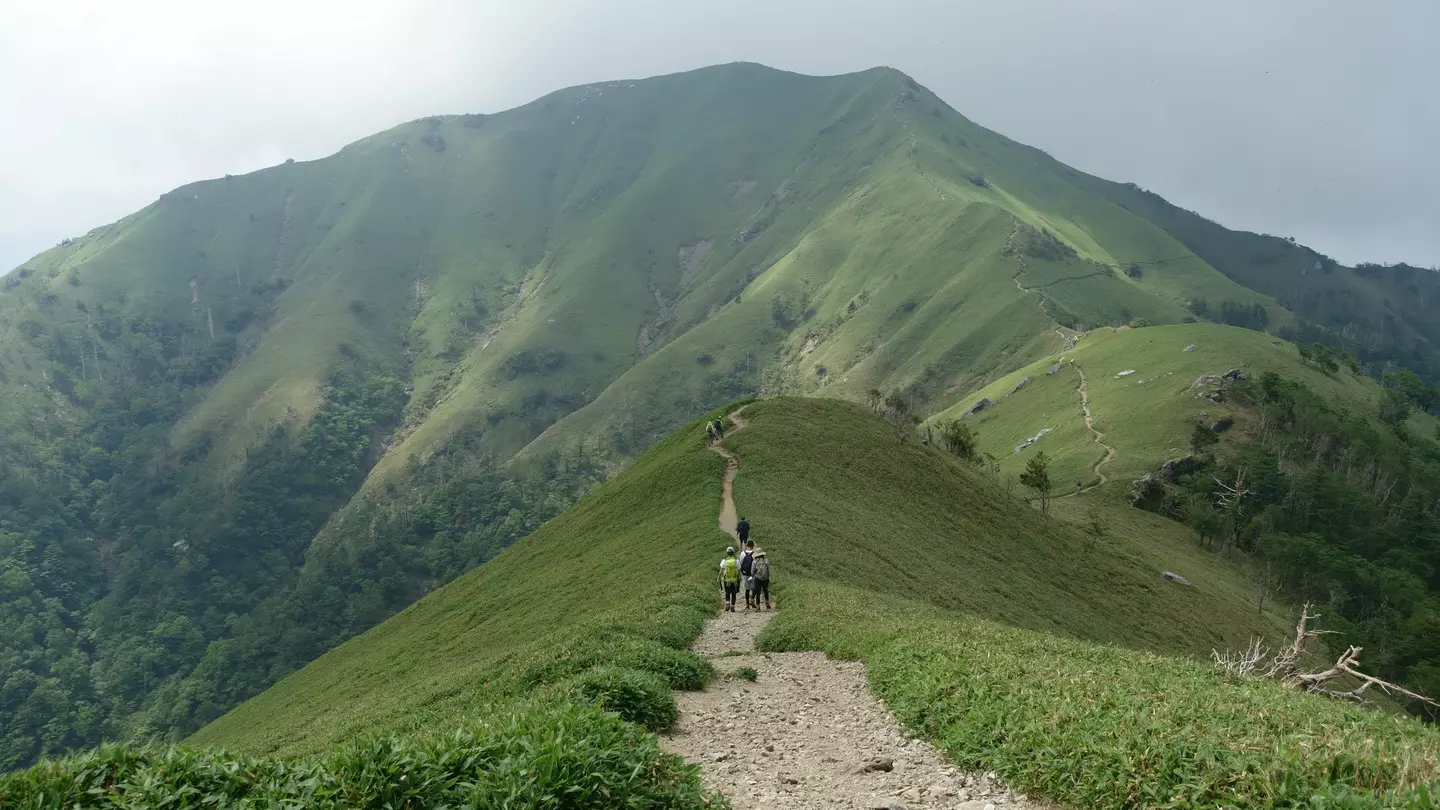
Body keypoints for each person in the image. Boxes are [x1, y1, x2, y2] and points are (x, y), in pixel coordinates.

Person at [718, 546, 740, 611]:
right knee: (734, 593)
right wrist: (740, 578)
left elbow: (721, 571)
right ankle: (732, 606)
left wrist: (718, 578)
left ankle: (727, 603)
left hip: (727, 580)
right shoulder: (736, 561)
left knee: (727, 592)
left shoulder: (724, 561)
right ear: (733, 553)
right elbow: (739, 571)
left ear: (727, 553)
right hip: (735, 580)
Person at [739, 540, 756, 610]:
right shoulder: (754, 554)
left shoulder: (743, 553)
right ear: (752, 546)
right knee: (753, 588)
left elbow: (741, 562)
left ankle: (747, 604)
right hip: (752, 574)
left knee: (747, 589)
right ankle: (752, 599)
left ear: (746, 546)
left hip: (745, 574)